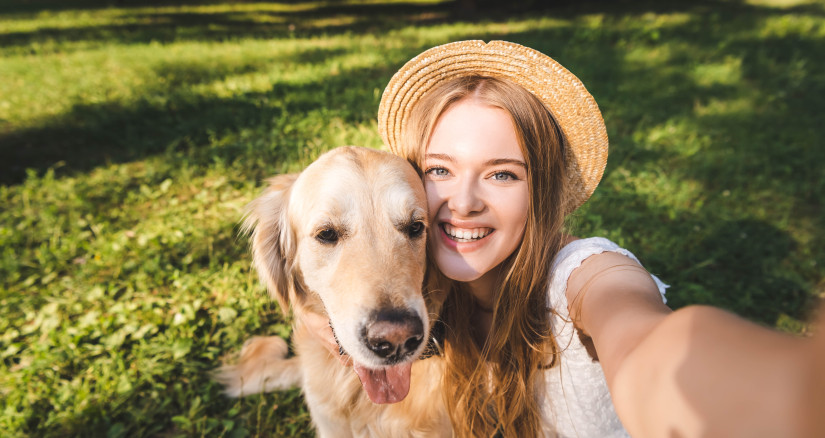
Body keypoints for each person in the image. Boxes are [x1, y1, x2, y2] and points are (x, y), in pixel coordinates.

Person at [304, 40, 825, 437]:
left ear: (541, 191)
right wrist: (315, 315)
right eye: (440, 169)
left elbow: (645, 340)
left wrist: (779, 395)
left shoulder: (582, 277)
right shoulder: (431, 286)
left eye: (503, 174)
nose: (463, 202)